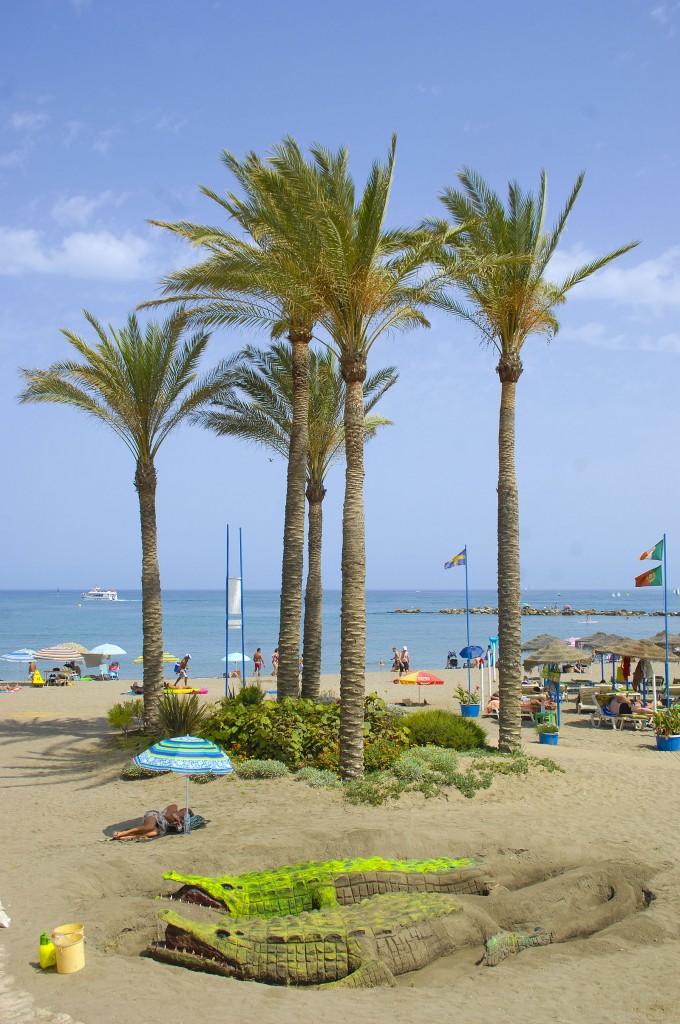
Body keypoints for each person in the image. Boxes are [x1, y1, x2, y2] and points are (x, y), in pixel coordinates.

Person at [112, 803, 193, 841]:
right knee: (150, 827)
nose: (186, 816)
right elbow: (168, 816)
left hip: (161, 828)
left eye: (188, 815)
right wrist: (176, 821)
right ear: (183, 809)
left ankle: (129, 837)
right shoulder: (174, 807)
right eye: (186, 813)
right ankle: (124, 833)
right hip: (155, 816)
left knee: (153, 833)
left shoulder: (181, 822)